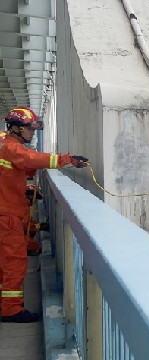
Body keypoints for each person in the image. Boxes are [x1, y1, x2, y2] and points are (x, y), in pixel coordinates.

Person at [0, 106, 89, 323]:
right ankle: (10, 310)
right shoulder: (11, 147)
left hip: (8, 214)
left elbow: (20, 168)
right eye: (29, 128)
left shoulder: (6, 146)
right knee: (14, 262)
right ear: (15, 129)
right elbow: (30, 160)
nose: (32, 132)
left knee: (7, 261)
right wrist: (67, 159)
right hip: (7, 217)